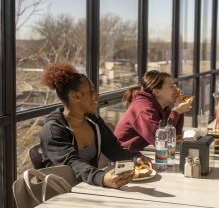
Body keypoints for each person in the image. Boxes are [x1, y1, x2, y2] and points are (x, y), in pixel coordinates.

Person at [40, 61, 152, 189]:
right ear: (76, 96)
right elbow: (73, 164)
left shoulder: (92, 120)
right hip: (61, 194)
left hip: (88, 187)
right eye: (92, 92)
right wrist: (102, 178)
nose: (97, 95)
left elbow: (114, 150)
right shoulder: (53, 130)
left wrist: (136, 157)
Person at [114, 70, 192, 151]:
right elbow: (162, 142)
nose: (177, 89)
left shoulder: (163, 107)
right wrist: (176, 111)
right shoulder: (143, 108)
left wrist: (180, 110)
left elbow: (175, 135)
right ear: (157, 92)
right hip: (125, 159)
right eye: (171, 86)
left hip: (142, 155)